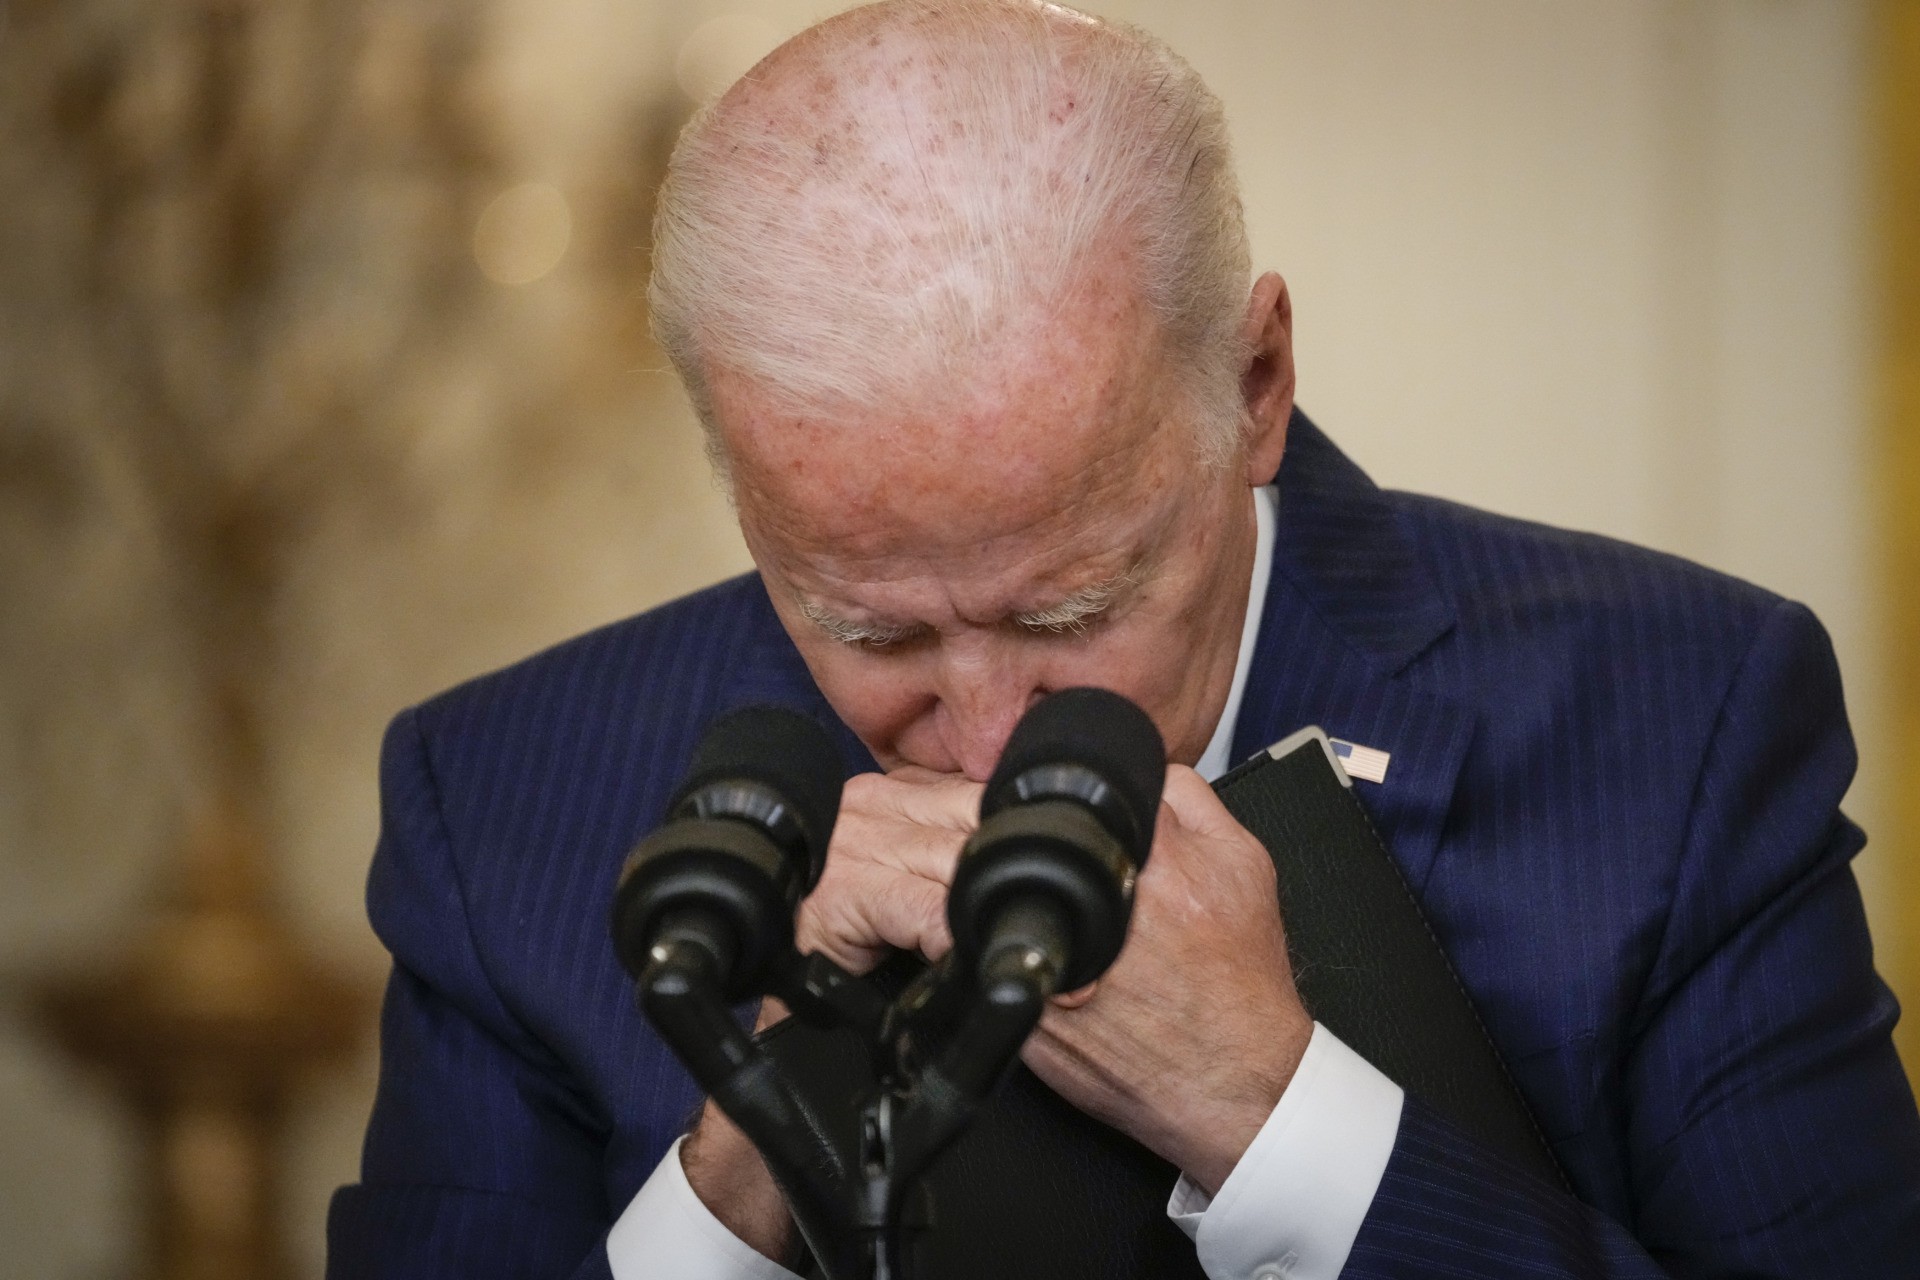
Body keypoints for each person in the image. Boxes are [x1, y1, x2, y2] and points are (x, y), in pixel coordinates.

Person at [326, 2, 1920, 1277]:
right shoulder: (503, 797)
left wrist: (1277, 1120)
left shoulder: (1678, 724)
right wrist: (742, 1179)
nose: (989, 734)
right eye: (867, 622)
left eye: (1073, 608)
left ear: (1256, 384)